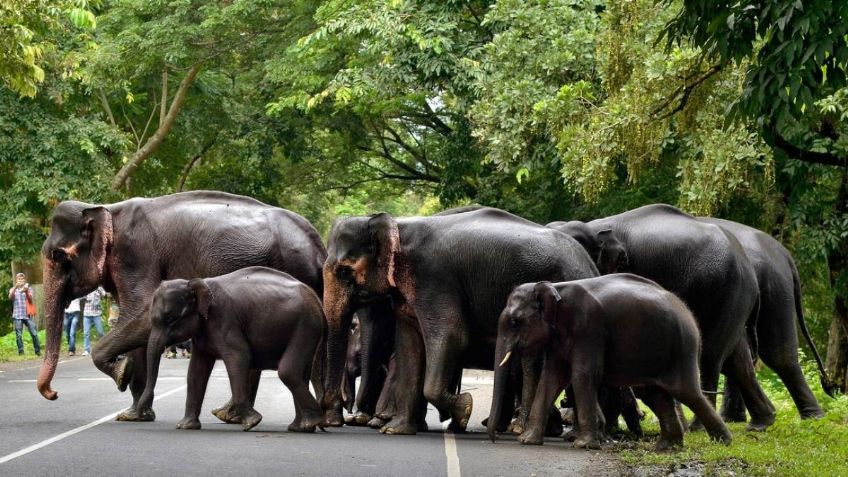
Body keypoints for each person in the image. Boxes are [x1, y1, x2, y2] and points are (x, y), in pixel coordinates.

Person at [8, 272, 41, 356]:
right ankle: (21, 352)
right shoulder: (13, 289)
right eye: (19, 279)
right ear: (16, 280)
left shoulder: (28, 288)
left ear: (24, 280)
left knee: (34, 333)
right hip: (17, 315)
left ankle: (37, 352)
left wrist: (26, 291)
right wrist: (16, 287)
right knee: (18, 335)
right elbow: (10, 297)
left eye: (22, 279)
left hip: (27, 315)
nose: (21, 280)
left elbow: (30, 300)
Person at [81, 287, 107, 356]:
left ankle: (105, 347)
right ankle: (87, 350)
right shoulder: (87, 288)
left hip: (96, 314)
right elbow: (81, 296)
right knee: (86, 333)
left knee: (100, 332)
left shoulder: (99, 288)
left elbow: (104, 295)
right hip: (87, 313)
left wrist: (98, 290)